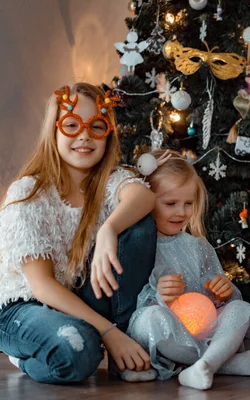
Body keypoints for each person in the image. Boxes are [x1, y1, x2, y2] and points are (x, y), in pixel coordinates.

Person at [0, 83, 157, 383]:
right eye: (71, 125)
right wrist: (106, 332)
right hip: (22, 306)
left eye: (96, 126)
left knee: (139, 227)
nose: (84, 136)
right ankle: (26, 356)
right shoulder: (29, 193)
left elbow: (144, 197)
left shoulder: (110, 181)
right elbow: (42, 286)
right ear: (54, 131)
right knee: (78, 350)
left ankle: (123, 349)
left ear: (107, 134)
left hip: (77, 298)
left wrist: (109, 230)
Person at [124, 150, 250, 390]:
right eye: (171, 204)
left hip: (203, 329)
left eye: (188, 203)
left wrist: (222, 291)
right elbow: (129, 300)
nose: (181, 212)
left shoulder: (197, 245)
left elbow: (213, 292)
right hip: (168, 332)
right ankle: (222, 364)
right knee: (150, 320)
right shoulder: (139, 244)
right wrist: (159, 295)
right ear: (145, 200)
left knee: (241, 309)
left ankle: (205, 364)